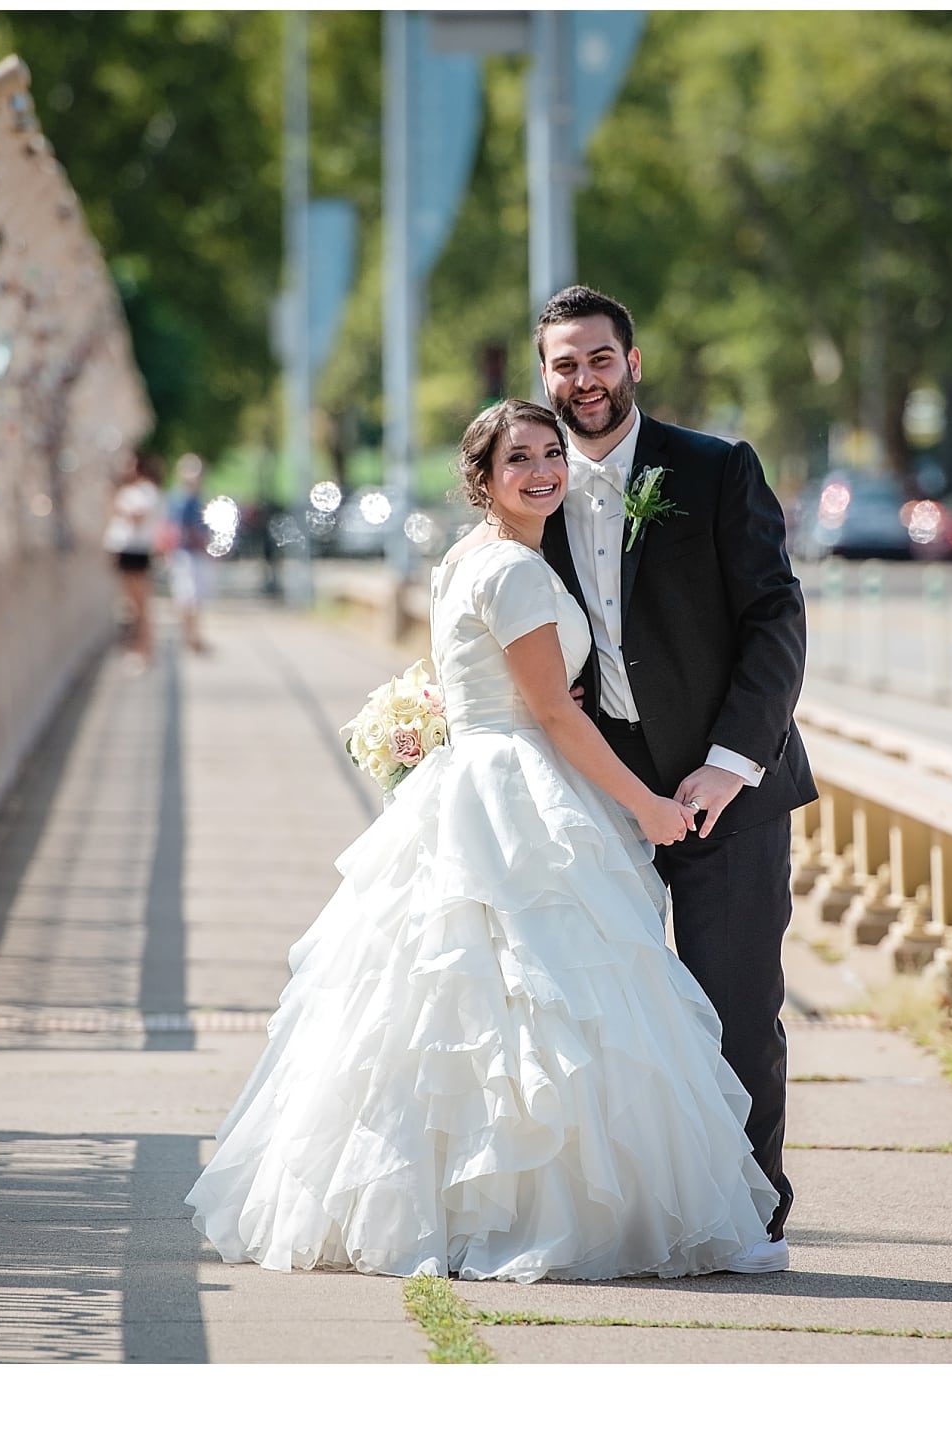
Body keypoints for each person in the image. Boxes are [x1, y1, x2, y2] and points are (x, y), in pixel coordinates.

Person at [185, 399, 782, 1281]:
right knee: (538, 997)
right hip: (518, 783)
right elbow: (548, 711)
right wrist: (651, 806)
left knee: (461, 1003)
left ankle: (454, 1203)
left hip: (472, 775)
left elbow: (511, 686)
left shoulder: (464, 560)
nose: (543, 470)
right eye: (520, 460)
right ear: (483, 478)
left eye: (552, 454)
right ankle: (535, 1211)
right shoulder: (516, 572)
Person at [534, 285, 816, 1261]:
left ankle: (748, 1218)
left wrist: (727, 767)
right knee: (603, 1019)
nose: (583, 381)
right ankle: (639, 1213)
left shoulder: (714, 467)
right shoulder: (528, 487)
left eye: (598, 359)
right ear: (544, 377)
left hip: (722, 796)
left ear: (632, 362)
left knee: (736, 1013)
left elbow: (774, 620)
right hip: (598, 801)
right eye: (564, 365)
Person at [104, 450, 164, 666]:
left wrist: (118, 505)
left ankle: (144, 649)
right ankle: (138, 648)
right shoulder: (130, 491)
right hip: (127, 551)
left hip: (136, 551)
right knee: (131, 605)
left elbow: (138, 519)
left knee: (140, 605)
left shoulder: (145, 491)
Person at [165, 453, 212, 655]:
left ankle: (193, 635)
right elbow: (180, 529)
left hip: (193, 554)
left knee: (194, 597)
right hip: (185, 554)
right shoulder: (181, 499)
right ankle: (190, 636)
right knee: (187, 596)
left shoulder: (196, 498)